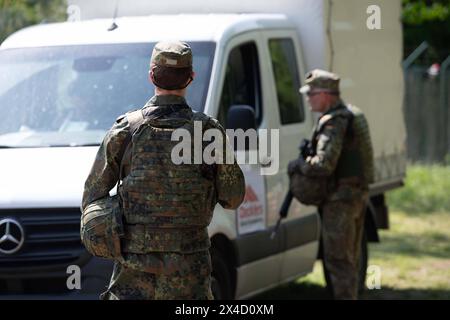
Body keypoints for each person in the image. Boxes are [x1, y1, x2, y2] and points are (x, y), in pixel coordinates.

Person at [81, 41, 245, 300]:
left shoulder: (125, 131)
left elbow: (91, 198)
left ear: (151, 76)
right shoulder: (209, 132)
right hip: (189, 274)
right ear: (190, 78)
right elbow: (233, 198)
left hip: (132, 274)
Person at [288, 69, 374, 300]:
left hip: (340, 202)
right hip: (356, 197)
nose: (308, 98)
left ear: (326, 95)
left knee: (339, 262)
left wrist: (298, 165)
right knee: (350, 261)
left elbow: (323, 165)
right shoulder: (351, 114)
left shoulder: (334, 122)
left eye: (311, 93)